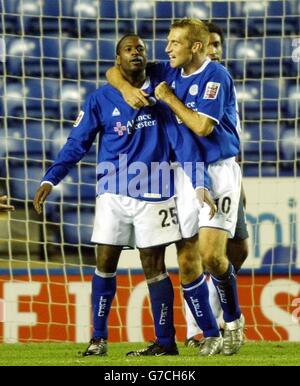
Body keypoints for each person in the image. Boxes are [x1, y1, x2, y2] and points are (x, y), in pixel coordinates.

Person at [33, 33, 216, 358]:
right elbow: (78, 142)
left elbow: (183, 143)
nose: (136, 53)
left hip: (157, 190)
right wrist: (51, 177)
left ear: (147, 57)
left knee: (154, 266)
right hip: (113, 192)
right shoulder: (101, 98)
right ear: (118, 60)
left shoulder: (162, 90)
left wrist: (200, 182)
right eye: (128, 49)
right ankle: (98, 339)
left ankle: (165, 341)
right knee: (105, 262)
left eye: (140, 49)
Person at [107, 18, 245, 356]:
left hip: (219, 170)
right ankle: (207, 333)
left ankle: (234, 320)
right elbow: (116, 72)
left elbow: (200, 127)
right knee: (187, 259)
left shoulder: (216, 76)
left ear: (194, 47)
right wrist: (126, 90)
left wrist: (168, 98)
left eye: (174, 43)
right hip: (185, 171)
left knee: (213, 257)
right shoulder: (169, 71)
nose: (166, 48)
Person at [184, 21, 249, 348]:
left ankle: (224, 316)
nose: (214, 50)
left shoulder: (220, 78)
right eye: (208, 44)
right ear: (196, 47)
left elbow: (229, 132)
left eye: (217, 44)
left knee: (238, 250)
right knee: (198, 254)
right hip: (192, 170)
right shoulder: (189, 76)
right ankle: (202, 329)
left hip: (226, 171)